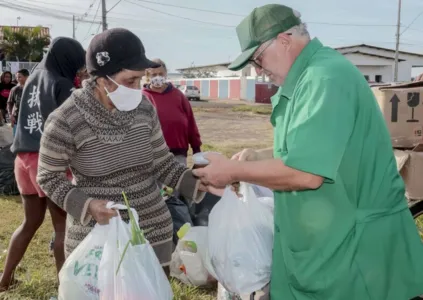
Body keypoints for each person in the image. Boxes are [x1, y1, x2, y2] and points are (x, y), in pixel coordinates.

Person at [193, 4, 423, 300]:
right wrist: (257, 158)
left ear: (285, 40)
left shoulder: (324, 78)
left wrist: (231, 172)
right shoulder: (306, 79)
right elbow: (316, 148)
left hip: (356, 252)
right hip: (327, 242)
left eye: (258, 59)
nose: (258, 71)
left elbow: (306, 171)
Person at [36, 28, 206, 275]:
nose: (138, 87)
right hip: (98, 237)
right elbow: (48, 177)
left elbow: (162, 163)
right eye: (130, 81)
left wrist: (199, 183)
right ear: (103, 79)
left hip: (152, 231)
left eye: (140, 79)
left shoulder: (144, 108)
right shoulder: (66, 119)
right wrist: (89, 205)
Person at [0, 37, 85, 292]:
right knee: (62, 227)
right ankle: (65, 289)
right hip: (48, 161)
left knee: (30, 222)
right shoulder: (61, 83)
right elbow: (74, 124)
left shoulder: (34, 78)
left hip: (23, 159)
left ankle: (4, 280)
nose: (79, 70)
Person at [143, 59, 202, 166]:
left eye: (160, 73)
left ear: (165, 74)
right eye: (154, 74)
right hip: (153, 153)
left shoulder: (178, 95)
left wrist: (196, 148)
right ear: (147, 76)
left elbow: (190, 122)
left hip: (178, 151)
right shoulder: (143, 97)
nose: (158, 77)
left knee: (180, 181)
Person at [7, 69, 30, 137]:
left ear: (27, 77)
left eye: (19, 77)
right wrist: (10, 115)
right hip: (17, 117)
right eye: (16, 77)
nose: (17, 79)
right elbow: (9, 103)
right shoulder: (15, 89)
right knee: (17, 138)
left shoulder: (33, 88)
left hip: (30, 118)